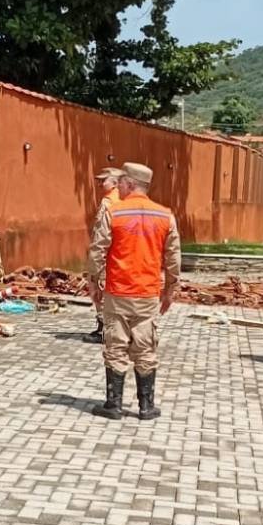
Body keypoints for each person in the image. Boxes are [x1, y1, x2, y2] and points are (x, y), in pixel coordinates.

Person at [88, 163, 181, 420]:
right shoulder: (165, 216)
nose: (118, 187)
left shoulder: (114, 212)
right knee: (146, 346)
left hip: (118, 291)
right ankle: (146, 406)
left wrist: (93, 281)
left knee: (116, 346)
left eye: (120, 183)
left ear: (129, 184)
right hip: (148, 293)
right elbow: (173, 257)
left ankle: (114, 404)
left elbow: (98, 249)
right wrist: (170, 289)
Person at [83, 167, 123, 344]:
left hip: (107, 258)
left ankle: (104, 329)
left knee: (99, 291)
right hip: (123, 257)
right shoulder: (126, 201)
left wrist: (93, 267)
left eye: (103, 180)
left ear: (115, 182)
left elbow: (101, 237)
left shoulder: (108, 203)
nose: (99, 183)